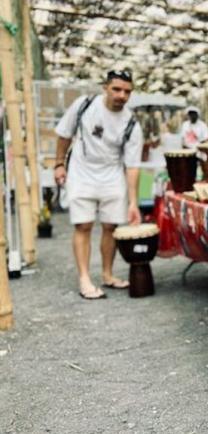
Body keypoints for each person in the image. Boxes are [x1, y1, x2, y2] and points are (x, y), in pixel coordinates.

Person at [54, 70, 143, 299]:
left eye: (127, 91)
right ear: (105, 87)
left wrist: (133, 202)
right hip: (82, 170)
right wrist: (58, 164)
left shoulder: (131, 123)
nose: (121, 95)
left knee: (111, 227)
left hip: (112, 174)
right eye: (117, 89)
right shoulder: (84, 105)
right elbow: (64, 134)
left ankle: (107, 274)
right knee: (83, 225)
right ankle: (84, 278)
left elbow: (132, 166)